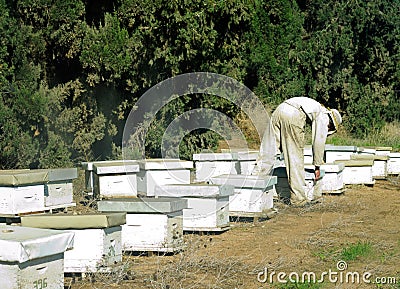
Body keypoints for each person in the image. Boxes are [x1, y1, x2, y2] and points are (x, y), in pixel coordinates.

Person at [270, 97, 342, 207]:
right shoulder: (324, 116)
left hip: (279, 110)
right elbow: (318, 142)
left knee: (268, 151)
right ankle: (299, 200)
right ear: (331, 123)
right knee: (295, 158)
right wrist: (317, 165)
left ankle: (255, 184)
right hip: (293, 115)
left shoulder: (315, 106)